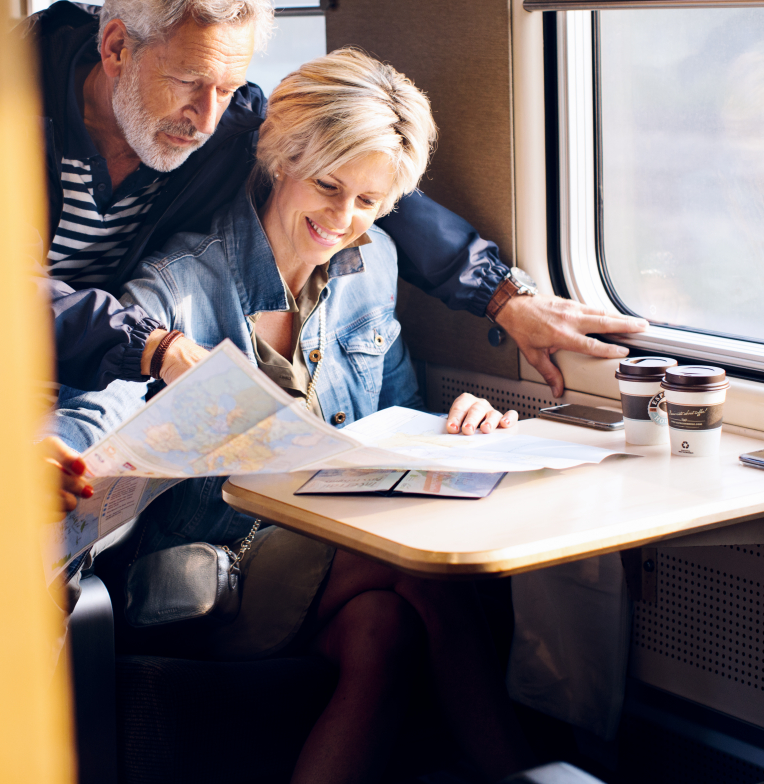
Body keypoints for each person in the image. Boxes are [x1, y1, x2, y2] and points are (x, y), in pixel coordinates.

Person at [0, 0, 645, 781]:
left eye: (228, 89)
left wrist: (501, 295)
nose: (207, 117)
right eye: (189, 83)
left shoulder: (219, 121)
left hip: (99, 395)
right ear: (116, 46)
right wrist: (155, 348)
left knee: (365, 623)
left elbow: (364, 181)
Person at [53, 47, 534, 784]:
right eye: (328, 185)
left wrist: (458, 425)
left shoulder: (370, 265)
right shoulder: (179, 285)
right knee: (411, 565)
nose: (343, 220)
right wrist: (52, 454)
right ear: (283, 158)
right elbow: (98, 409)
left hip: (327, 558)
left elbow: (390, 421)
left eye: (369, 202)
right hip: (200, 576)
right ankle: (518, 773)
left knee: (383, 631)